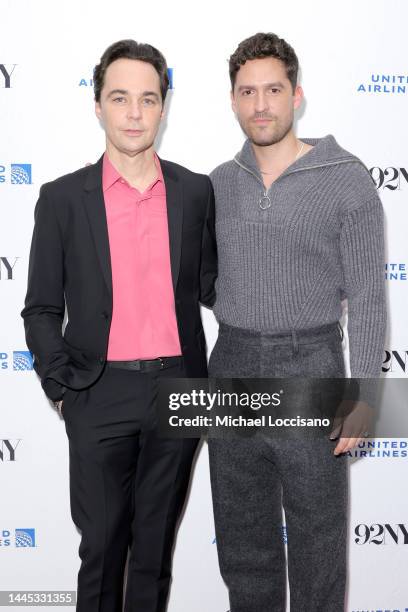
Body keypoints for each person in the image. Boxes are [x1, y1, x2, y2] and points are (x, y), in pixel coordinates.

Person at [21, 39, 216, 612]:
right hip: (97, 393)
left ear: (164, 106)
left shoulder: (196, 191)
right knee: (102, 552)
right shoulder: (61, 199)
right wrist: (64, 387)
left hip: (180, 390)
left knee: (154, 555)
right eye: (121, 97)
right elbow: (40, 309)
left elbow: (213, 286)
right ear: (98, 105)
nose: (134, 112)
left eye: (148, 99)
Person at [208, 32, 386, 612]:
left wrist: (366, 395)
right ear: (233, 101)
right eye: (248, 92)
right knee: (244, 547)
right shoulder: (217, 184)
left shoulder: (347, 178)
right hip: (230, 367)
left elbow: (368, 295)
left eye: (273, 90)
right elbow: (208, 281)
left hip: (311, 365)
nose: (261, 104)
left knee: (317, 544)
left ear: (297, 96)